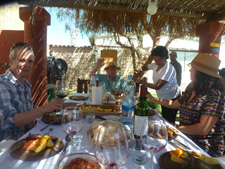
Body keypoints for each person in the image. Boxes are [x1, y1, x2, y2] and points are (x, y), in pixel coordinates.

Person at [146, 53, 225, 157]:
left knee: (157, 152)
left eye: (192, 68)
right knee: (152, 144)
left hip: (204, 148)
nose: (189, 70)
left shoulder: (214, 95)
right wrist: (153, 99)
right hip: (186, 139)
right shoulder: (192, 87)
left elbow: (202, 129)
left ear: (200, 74)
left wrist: (175, 128)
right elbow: (174, 104)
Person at [0, 42, 64, 142]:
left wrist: (50, 111)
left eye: (30, 61)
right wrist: (44, 109)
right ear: (11, 61)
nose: (26, 65)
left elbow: (29, 111)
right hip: (11, 146)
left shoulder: (26, 84)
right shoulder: (2, 84)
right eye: (21, 60)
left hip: (31, 137)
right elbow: (12, 120)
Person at [141, 46, 180, 124]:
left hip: (172, 98)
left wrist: (143, 82)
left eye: (156, 57)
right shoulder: (155, 64)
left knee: (169, 121)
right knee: (164, 118)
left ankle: (169, 134)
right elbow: (145, 67)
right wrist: (140, 73)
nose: (154, 59)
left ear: (164, 57)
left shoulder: (168, 69)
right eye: (154, 57)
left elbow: (157, 86)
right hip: (163, 97)